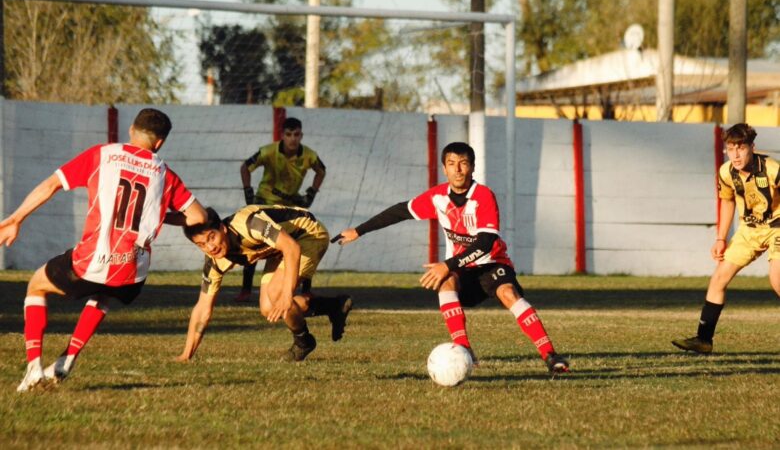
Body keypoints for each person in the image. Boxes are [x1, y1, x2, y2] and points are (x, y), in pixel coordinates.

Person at [0, 108, 208, 392]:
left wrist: (16, 218)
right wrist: (163, 216)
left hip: (93, 259)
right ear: (159, 143)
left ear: (131, 131)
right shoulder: (165, 173)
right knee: (104, 293)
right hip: (133, 271)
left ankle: (34, 367)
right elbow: (198, 217)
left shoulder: (103, 154)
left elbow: (51, 185)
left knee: (36, 286)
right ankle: (68, 358)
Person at [333, 142, 570, 374]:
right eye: (451, 163)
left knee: (508, 293)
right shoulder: (437, 197)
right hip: (462, 267)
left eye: (463, 163)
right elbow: (400, 210)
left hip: (492, 262)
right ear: (444, 169)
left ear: (472, 167)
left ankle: (550, 354)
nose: (458, 169)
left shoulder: (484, 196)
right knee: (446, 282)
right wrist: (359, 230)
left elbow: (486, 242)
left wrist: (446, 265)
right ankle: (464, 350)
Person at [176, 205, 351, 362]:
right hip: (280, 249)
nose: (210, 247)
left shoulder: (249, 223)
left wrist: (287, 294)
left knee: (277, 293)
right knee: (268, 309)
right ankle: (334, 306)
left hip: (308, 235)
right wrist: (186, 355)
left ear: (222, 228)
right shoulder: (214, 262)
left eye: (211, 237)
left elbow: (291, 248)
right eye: (201, 245)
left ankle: (303, 342)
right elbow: (202, 309)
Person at [673, 123, 780, 354]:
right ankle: (703, 340)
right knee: (719, 278)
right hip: (749, 230)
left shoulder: (771, 168)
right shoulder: (726, 172)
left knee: (777, 279)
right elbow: (728, 201)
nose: (736, 154)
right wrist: (721, 238)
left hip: (777, 227)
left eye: (740, 148)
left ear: (752, 147)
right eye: (731, 149)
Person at [236, 117, 327, 303]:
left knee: (303, 240)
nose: (292, 139)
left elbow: (321, 170)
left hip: (290, 206)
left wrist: (311, 193)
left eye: (296, 134)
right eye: (288, 134)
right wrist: (248, 190)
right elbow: (245, 167)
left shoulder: (309, 155)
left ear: (301, 135)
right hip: (266, 202)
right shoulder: (268, 151)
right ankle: (246, 289)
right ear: (282, 136)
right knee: (253, 243)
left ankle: (306, 289)